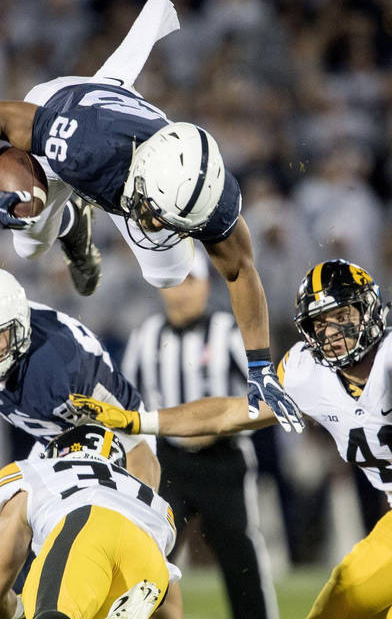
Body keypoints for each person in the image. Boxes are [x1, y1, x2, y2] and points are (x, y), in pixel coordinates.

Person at [72, 259, 392, 619]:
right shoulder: (307, 373)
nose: (333, 332)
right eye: (321, 323)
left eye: (343, 316)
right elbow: (229, 413)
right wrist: (140, 421)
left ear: (370, 311)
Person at [0, 0, 302, 433]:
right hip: (72, 117)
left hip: (121, 144)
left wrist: (260, 365)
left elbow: (240, 272)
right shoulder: (81, 146)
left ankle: (70, 218)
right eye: (156, 212)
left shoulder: (210, 198)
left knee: (168, 274)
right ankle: (66, 221)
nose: (155, 223)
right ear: (141, 174)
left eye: (173, 221)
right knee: (26, 237)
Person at [120, 249, 277, 619]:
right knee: (148, 555)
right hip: (168, 462)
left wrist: (221, 422)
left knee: (240, 556)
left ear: (206, 285)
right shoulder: (146, 336)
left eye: (190, 281)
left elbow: (266, 396)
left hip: (224, 459)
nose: (182, 292)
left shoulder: (228, 331)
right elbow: (128, 403)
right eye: (175, 283)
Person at [0, 266, 159, 488]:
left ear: (19, 328)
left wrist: (142, 514)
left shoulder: (63, 368)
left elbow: (140, 454)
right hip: (51, 436)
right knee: (10, 502)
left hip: (108, 431)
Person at [0, 424, 181, 619]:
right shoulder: (149, 497)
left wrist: (22, 612)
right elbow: (169, 603)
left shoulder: (35, 472)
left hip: (87, 527)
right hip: (151, 568)